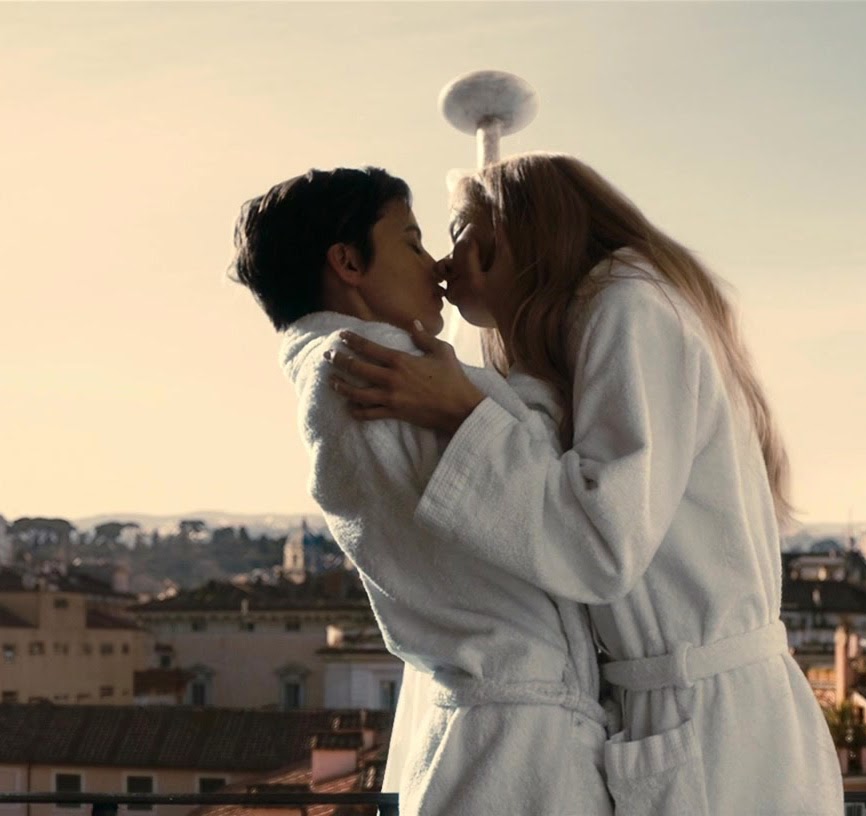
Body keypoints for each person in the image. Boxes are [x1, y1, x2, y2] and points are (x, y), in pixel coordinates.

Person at [326, 153, 845, 815]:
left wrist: (462, 412)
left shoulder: (627, 304)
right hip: (699, 716)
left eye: (458, 234)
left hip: (711, 727)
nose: (444, 264)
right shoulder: (604, 317)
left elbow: (602, 545)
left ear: (520, 230)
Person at [230, 166, 613, 816]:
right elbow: (553, 481)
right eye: (410, 242)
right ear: (349, 262)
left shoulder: (338, 371)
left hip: (500, 738)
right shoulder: (373, 365)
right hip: (514, 751)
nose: (435, 265)